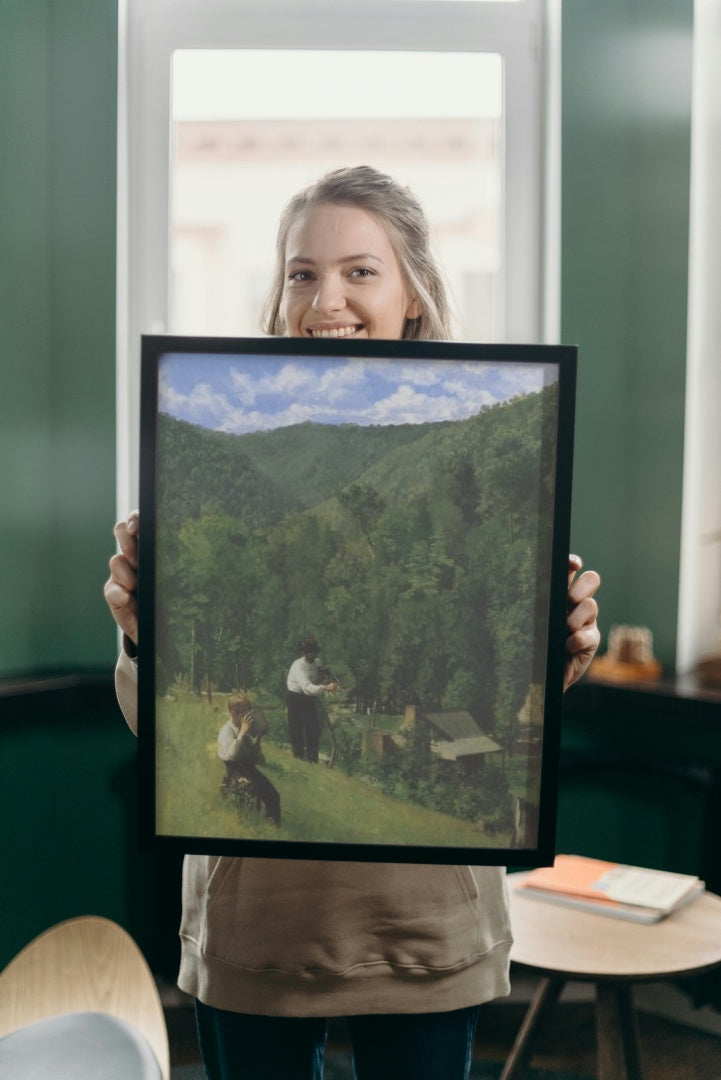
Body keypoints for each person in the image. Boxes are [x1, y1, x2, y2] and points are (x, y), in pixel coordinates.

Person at [105, 165, 601, 1080]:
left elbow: (511, 722)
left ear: (413, 292)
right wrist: (142, 634)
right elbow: (160, 728)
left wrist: (556, 652)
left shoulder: (503, 463)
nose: (324, 297)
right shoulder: (190, 439)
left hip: (425, 924)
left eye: (359, 271)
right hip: (257, 925)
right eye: (301, 272)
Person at [218, 694, 281, 826]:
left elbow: (255, 759)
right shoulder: (226, 731)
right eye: (245, 713)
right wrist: (242, 734)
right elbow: (231, 756)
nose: (249, 717)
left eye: (249, 713)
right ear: (233, 713)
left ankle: (273, 825)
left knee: (273, 795)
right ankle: (252, 826)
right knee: (252, 797)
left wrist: (258, 739)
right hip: (234, 772)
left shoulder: (245, 729)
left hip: (249, 769)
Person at [286, 635, 337, 763]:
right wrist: (326, 687)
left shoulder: (316, 662)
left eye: (314, 652)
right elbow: (308, 688)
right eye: (309, 652)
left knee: (313, 730)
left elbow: (318, 675)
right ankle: (299, 760)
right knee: (297, 731)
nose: (312, 655)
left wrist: (325, 674)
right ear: (304, 653)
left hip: (308, 699)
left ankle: (312, 760)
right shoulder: (298, 666)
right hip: (295, 698)